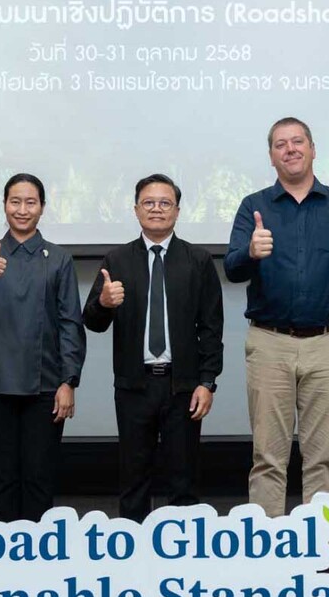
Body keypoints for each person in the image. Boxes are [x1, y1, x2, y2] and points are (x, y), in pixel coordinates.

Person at [224, 117, 329, 574]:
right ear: (271, 155)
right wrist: (249, 252)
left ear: (313, 149)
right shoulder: (254, 206)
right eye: (281, 144)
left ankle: (322, 552)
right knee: (268, 457)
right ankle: (266, 552)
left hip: (328, 346)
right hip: (269, 344)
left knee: (322, 456)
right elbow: (232, 269)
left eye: (298, 142)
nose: (290, 149)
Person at [83, 174, 224, 522]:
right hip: (134, 386)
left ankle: (182, 545)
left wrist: (207, 382)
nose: (157, 209)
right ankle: (133, 546)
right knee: (133, 478)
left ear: (177, 211)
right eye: (149, 203)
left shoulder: (198, 260)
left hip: (183, 386)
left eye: (165, 203)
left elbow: (211, 327)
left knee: (183, 479)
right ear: (136, 210)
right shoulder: (117, 260)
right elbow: (92, 321)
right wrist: (103, 302)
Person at [0, 174, 86, 522]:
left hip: (45, 386)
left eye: (31, 202)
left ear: (42, 207)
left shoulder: (58, 259)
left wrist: (68, 381)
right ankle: (7, 547)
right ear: (4, 205)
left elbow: (71, 323)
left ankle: (38, 548)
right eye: (15, 201)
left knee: (39, 478)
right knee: (3, 477)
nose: (22, 209)